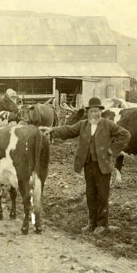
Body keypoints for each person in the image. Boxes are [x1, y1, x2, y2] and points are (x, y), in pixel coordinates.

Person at [40, 97, 131, 235]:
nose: (93, 114)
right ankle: (92, 223)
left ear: (100, 111)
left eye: (96, 111)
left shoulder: (108, 124)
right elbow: (68, 130)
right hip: (88, 165)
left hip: (103, 166)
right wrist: (52, 130)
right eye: (90, 111)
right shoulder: (83, 125)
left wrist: (113, 149)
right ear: (87, 112)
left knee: (102, 195)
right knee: (90, 194)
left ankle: (102, 225)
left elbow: (125, 134)